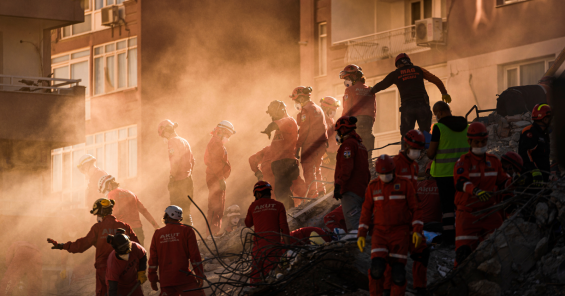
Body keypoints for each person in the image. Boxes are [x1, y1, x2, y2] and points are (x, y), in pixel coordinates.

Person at [357, 154, 423, 296]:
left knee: (398, 274)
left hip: (400, 233)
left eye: (388, 173)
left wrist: (417, 231)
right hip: (380, 233)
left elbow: (415, 209)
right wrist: (361, 234)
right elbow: (366, 211)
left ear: (394, 171)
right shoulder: (373, 187)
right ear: (378, 173)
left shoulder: (405, 185)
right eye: (382, 173)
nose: (385, 176)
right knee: (377, 269)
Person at [48, 198, 139, 296]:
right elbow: (137, 247)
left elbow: (81, 245)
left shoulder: (97, 228)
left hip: (104, 271)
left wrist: (62, 246)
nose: (97, 217)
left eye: (97, 214)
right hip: (123, 269)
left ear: (101, 212)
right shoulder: (125, 226)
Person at [453, 122, 510, 267]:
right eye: (477, 142)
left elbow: (503, 182)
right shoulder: (463, 162)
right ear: (469, 142)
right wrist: (476, 191)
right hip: (467, 214)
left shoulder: (494, 161)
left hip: (489, 212)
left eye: (483, 141)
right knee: (463, 255)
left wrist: (517, 181)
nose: (480, 144)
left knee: (499, 248)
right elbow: (461, 182)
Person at [369, 53, 451, 145]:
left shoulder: (395, 74)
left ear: (398, 64)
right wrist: (444, 93)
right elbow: (435, 80)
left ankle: (405, 155)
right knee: (426, 132)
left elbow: (382, 84)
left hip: (407, 108)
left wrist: (371, 91)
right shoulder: (418, 70)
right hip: (423, 106)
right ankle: (427, 154)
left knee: (406, 134)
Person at [390, 130, 429, 296]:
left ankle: (420, 288)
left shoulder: (413, 166)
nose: (417, 152)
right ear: (406, 145)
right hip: (395, 219)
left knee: (422, 251)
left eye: (419, 149)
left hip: (410, 218)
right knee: (396, 262)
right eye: (414, 148)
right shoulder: (394, 164)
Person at [426, 101, 469, 247]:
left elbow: (431, 153)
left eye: (435, 114)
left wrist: (426, 152)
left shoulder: (439, 127)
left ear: (439, 112)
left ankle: (449, 239)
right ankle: (463, 235)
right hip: (463, 173)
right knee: (462, 205)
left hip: (444, 175)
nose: (436, 117)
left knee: (447, 209)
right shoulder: (465, 126)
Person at [148, 205, 205, 296]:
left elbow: (153, 259)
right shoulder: (187, 231)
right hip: (184, 278)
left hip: (166, 280)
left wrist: (152, 278)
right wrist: (200, 274)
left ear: (167, 216)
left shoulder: (158, 233)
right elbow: (195, 256)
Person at [245, 181, 290, 283]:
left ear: (258, 194)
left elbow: (247, 224)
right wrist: (288, 249)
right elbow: (284, 228)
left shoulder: (253, 206)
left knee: (255, 276)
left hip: (257, 249)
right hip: (273, 248)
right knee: (271, 278)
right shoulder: (279, 205)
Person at [333, 116, 370, 240]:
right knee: (362, 225)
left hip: (350, 191)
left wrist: (339, 184)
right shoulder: (360, 145)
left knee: (355, 230)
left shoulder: (348, 145)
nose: (337, 134)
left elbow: (346, 168)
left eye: (338, 131)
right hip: (361, 190)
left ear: (343, 129)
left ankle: (359, 255)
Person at [99, 175, 160, 246]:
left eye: (105, 190)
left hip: (123, 231)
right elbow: (144, 211)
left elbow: (115, 213)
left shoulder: (112, 193)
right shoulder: (132, 194)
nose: (106, 193)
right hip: (138, 230)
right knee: (139, 254)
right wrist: (155, 225)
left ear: (109, 185)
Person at [290, 86, 328, 198]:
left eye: (296, 100)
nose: (295, 103)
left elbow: (303, 131)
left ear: (301, 99)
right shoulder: (318, 108)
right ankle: (321, 191)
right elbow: (324, 127)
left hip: (309, 144)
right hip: (320, 144)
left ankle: (312, 195)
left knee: (308, 170)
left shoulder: (305, 110)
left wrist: (297, 148)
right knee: (317, 168)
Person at [261, 100, 300, 209]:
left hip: (285, 162)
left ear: (281, 110)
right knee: (281, 191)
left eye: (273, 112)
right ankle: (288, 212)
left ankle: (289, 213)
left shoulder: (289, 121)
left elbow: (274, 125)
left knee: (281, 190)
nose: (272, 116)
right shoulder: (281, 128)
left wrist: (268, 129)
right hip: (280, 163)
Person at [158, 120, 196, 225]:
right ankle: (189, 233)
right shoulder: (184, 141)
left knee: (174, 211)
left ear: (166, 131)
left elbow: (175, 161)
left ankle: (178, 237)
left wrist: (172, 177)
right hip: (188, 180)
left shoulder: (172, 141)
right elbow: (193, 161)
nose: (164, 138)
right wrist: (188, 174)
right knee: (186, 211)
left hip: (179, 181)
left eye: (163, 135)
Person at [204, 120, 235, 235]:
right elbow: (216, 162)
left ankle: (214, 233)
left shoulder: (217, 143)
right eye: (227, 135)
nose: (228, 138)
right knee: (215, 207)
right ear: (222, 131)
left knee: (218, 207)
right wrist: (221, 178)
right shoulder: (216, 143)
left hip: (216, 177)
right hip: (216, 178)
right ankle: (212, 234)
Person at [339, 65, 376, 155]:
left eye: (347, 78)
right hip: (368, 121)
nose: (346, 81)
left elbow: (347, 109)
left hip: (356, 121)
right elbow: (374, 109)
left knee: (355, 146)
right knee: (367, 146)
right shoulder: (370, 89)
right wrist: (371, 120)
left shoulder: (350, 90)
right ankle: (369, 165)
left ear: (354, 76)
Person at [106, 230, 147, 296]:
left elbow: (143, 254)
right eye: (123, 248)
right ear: (116, 250)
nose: (128, 250)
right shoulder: (112, 264)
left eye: (128, 245)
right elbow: (112, 288)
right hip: (120, 287)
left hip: (133, 282)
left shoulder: (134, 246)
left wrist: (141, 271)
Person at [519, 104, 552, 184]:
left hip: (542, 179)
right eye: (550, 118)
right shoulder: (530, 132)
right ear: (545, 119)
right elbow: (525, 153)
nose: (551, 121)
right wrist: (533, 170)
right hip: (532, 179)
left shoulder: (542, 135)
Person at [319, 96, 341, 187]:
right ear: (325, 109)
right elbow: (318, 140)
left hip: (334, 154)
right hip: (326, 156)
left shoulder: (331, 120)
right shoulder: (320, 121)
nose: (334, 112)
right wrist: (323, 154)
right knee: (325, 180)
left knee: (334, 180)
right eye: (332, 109)